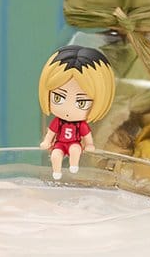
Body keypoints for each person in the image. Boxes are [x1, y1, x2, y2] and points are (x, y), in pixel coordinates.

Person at [38, 45, 116, 179]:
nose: (68, 109)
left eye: (81, 103)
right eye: (58, 98)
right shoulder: (58, 121)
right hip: (59, 145)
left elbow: (87, 136)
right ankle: (56, 172)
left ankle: (73, 166)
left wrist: (89, 145)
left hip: (75, 144)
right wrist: (47, 142)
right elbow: (51, 133)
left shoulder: (81, 125)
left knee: (75, 150)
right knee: (55, 155)